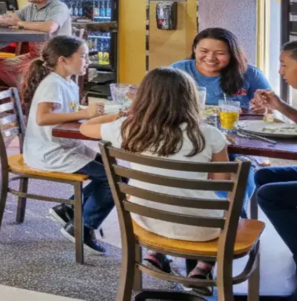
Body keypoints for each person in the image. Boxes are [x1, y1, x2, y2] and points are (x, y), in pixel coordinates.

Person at [80, 68, 230, 294]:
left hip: (145, 218)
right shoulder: (209, 134)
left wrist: (119, 116)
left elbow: (85, 127)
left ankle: (156, 254)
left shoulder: (127, 129)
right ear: (190, 98)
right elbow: (221, 182)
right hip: (204, 229)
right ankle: (202, 268)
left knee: (164, 198)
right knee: (235, 211)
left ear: (144, 97)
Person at [20, 35, 112, 255]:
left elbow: (68, 109)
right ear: (63, 59)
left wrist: (94, 111)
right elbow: (43, 118)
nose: (87, 61)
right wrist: (83, 112)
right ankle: (82, 227)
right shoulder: (52, 84)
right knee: (112, 178)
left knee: (113, 168)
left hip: (63, 145)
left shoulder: (67, 81)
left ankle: (69, 208)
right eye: (82, 57)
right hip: (48, 151)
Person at [251, 38, 297, 283]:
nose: (280, 71)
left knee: (270, 195)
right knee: (263, 175)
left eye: (284, 65)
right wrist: (280, 107)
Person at [0, 0, 73, 88]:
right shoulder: (30, 8)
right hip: (35, 55)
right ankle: (28, 93)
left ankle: (34, 95)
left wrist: (19, 24)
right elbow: (13, 19)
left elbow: (50, 27)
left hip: (56, 57)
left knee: (29, 71)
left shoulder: (58, 7)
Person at [171, 27, 272, 108]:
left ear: (232, 54)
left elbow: (272, 107)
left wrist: (263, 108)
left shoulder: (250, 73)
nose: (210, 58)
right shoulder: (178, 71)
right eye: (204, 51)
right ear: (194, 49)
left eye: (220, 53)